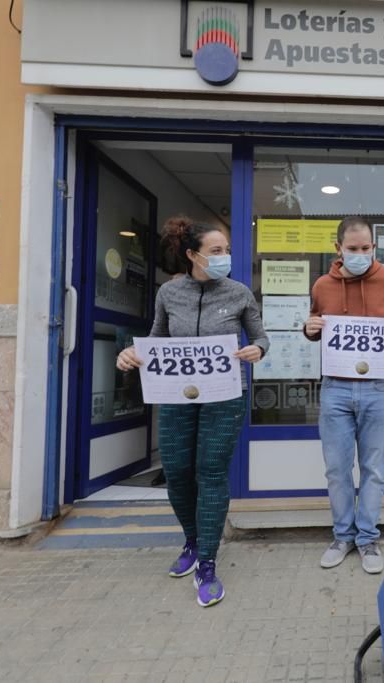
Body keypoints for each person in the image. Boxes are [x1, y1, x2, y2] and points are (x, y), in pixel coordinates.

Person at [116, 216, 269, 608]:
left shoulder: (239, 293)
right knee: (179, 472)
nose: (224, 258)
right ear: (192, 255)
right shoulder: (169, 294)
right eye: (215, 252)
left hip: (225, 395)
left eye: (227, 251)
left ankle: (207, 562)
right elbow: (155, 340)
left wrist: (259, 350)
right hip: (176, 395)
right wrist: (132, 354)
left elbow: (261, 336)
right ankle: (192, 539)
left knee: (211, 472)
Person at [304, 216, 384, 574]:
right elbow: (313, 324)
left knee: (374, 468)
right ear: (338, 248)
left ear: (374, 247)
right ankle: (342, 536)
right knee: (337, 470)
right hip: (336, 387)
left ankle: (367, 539)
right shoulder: (322, 284)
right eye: (352, 249)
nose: (360, 254)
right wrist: (309, 328)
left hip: (379, 387)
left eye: (366, 248)